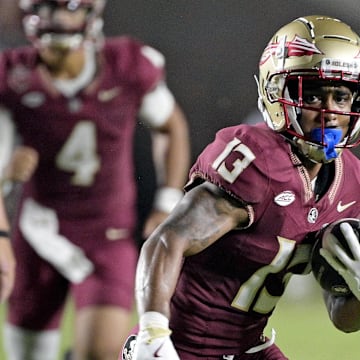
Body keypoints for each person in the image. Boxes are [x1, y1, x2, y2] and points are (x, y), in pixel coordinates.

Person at [125, 15, 360, 360]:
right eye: (310, 94)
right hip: (180, 346)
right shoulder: (257, 161)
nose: (328, 112)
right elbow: (166, 240)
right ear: (276, 92)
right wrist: (153, 333)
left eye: (341, 96)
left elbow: (343, 318)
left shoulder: (350, 181)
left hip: (250, 348)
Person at [0, 0, 190, 359]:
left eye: (67, 9)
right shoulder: (11, 78)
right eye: (49, 9)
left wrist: (167, 201)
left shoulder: (127, 66)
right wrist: (8, 178)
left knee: (101, 353)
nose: (58, 20)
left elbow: (171, 126)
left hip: (106, 232)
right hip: (37, 230)